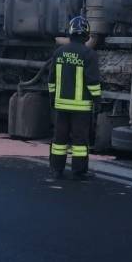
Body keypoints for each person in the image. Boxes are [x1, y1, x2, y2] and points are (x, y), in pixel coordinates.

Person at [46, 16, 102, 180]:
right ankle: (79, 171)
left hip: (61, 105)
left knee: (59, 139)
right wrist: (97, 101)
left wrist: (52, 98)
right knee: (80, 141)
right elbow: (92, 82)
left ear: (70, 33)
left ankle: (56, 170)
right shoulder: (89, 54)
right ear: (86, 34)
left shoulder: (59, 52)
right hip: (81, 107)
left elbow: (51, 79)